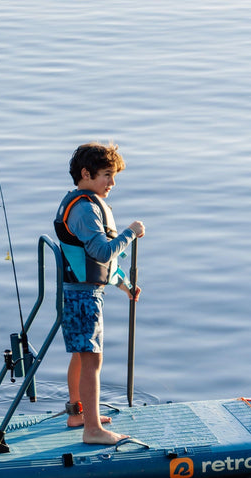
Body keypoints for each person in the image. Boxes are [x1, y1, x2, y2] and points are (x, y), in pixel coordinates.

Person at [54, 142, 145, 445]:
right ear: (86, 173)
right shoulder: (84, 209)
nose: (112, 183)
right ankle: (92, 429)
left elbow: (95, 262)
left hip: (81, 291)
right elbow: (102, 251)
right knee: (92, 360)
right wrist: (130, 233)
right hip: (83, 297)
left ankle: (77, 413)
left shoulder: (86, 204)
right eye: (107, 175)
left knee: (82, 357)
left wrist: (123, 285)